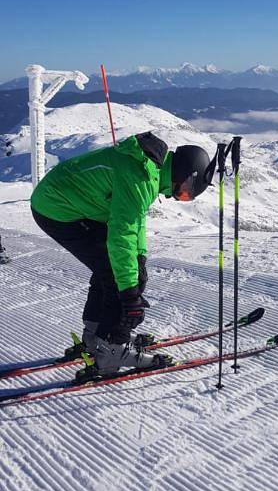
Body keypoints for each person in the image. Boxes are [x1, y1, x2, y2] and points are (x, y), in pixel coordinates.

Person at [30, 131, 214, 379]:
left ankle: (97, 335)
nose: (181, 196)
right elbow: (122, 234)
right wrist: (129, 294)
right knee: (117, 275)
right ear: (184, 174)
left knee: (120, 270)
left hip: (70, 203)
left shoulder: (150, 170)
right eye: (186, 192)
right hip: (58, 209)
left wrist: (140, 257)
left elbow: (134, 223)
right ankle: (112, 351)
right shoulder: (141, 177)